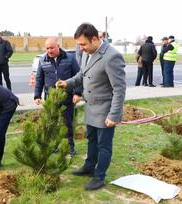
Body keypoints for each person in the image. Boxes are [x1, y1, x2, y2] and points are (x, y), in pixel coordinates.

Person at [56, 23, 126, 190]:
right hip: (91, 107)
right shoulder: (89, 53)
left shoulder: (112, 56)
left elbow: (119, 89)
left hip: (104, 111)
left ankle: (99, 176)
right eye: (79, 44)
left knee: (104, 145)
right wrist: (67, 83)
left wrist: (113, 115)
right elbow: (82, 74)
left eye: (83, 44)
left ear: (95, 39)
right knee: (92, 140)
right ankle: (89, 167)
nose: (81, 48)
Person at [34, 37, 82, 156]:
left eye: (52, 47)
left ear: (58, 46)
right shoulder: (42, 60)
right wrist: (37, 95)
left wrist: (77, 93)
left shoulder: (70, 59)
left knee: (67, 123)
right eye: (47, 48)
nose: (49, 50)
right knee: (52, 123)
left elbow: (78, 77)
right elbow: (39, 79)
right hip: (50, 98)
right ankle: (54, 146)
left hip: (66, 97)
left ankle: (70, 147)